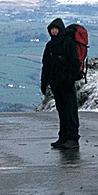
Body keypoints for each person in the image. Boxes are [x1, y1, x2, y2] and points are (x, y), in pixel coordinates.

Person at [40, 18, 81, 150]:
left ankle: (73, 138)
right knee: (62, 111)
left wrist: (70, 80)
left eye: (56, 29)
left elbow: (75, 62)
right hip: (56, 84)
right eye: (52, 29)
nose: (54, 31)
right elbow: (46, 65)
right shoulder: (50, 45)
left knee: (70, 111)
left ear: (60, 29)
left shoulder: (68, 43)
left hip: (67, 84)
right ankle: (63, 137)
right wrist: (44, 82)